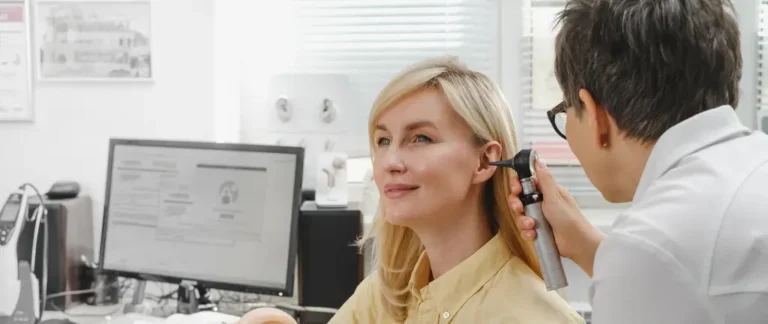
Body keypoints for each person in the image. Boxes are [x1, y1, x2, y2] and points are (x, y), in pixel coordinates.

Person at [509, 0, 768, 323]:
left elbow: (664, 262)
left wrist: (625, 257)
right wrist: (585, 244)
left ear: (594, 115)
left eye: (566, 110)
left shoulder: (650, 245)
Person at [329, 57, 585, 323]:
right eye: (383, 140)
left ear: (485, 161)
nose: (389, 162)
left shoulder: (533, 316)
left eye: (421, 138)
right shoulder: (385, 295)